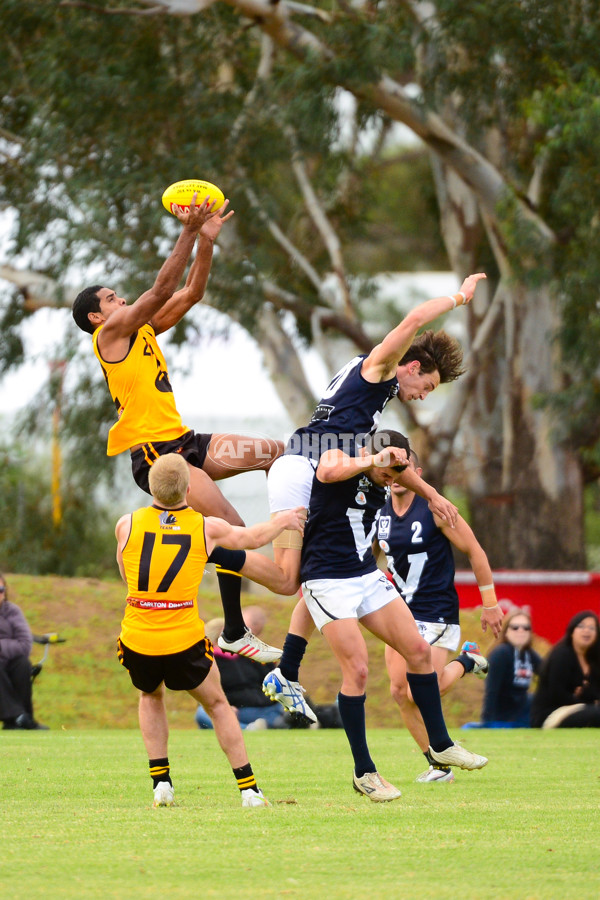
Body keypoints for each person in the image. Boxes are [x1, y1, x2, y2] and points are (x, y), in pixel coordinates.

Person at [72, 193, 284, 663]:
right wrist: (187, 230)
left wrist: (206, 241)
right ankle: (233, 630)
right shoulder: (108, 337)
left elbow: (190, 293)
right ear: (96, 317)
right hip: (154, 455)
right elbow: (160, 291)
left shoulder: (141, 330)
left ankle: (297, 535)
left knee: (277, 451)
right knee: (229, 526)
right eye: (111, 298)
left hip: (185, 441)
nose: (120, 298)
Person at [264, 273, 486, 718]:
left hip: (309, 466)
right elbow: (416, 317)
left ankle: (286, 671)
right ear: (413, 366)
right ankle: (219, 548)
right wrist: (459, 297)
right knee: (290, 577)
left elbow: (386, 461)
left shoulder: (376, 392)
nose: (423, 397)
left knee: (324, 570)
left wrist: (431, 494)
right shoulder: (381, 367)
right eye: (427, 387)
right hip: (305, 467)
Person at [270, 429, 489, 802]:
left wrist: (432, 495)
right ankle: (364, 772)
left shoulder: (395, 475)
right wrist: (374, 460)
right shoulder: (342, 460)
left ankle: (440, 745)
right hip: (326, 578)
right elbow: (326, 470)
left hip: (366, 575)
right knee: (357, 671)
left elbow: (407, 476)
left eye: (397, 472)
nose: (392, 480)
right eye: (389, 471)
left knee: (418, 653)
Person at [114, 452, 305, 808]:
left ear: (150, 486)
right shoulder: (205, 527)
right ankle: (248, 790)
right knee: (218, 705)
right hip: (183, 638)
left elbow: (126, 573)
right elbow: (250, 538)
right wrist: (284, 520)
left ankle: (162, 784)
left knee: (150, 696)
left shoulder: (126, 523)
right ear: (188, 486)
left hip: (138, 635)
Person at [372, 450, 503, 783]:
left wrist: (490, 603)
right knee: (399, 692)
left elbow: (475, 550)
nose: (396, 475)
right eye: (390, 468)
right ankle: (438, 766)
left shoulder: (436, 508)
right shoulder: (379, 513)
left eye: (403, 469)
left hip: (436, 610)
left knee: (419, 691)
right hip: (398, 609)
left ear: (415, 472)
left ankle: (467, 661)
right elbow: (370, 555)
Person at [195, 608, 288, 731]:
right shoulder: (209, 661)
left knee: (286, 709)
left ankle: (276, 723)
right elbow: (205, 692)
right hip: (238, 710)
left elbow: (271, 680)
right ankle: (250, 728)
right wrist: (225, 707)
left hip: (261, 708)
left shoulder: (247, 655)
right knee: (202, 713)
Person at [530, 610, 600, 729]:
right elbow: (556, 694)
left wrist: (583, 695)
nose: (586, 631)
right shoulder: (562, 655)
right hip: (551, 714)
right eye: (581, 626)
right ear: (572, 631)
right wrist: (581, 699)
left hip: (581, 709)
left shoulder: (594, 660)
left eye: (592, 628)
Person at [478, 609, 543, 728]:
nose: (521, 631)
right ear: (506, 630)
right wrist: (486, 722)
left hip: (523, 712)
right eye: (515, 627)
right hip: (504, 717)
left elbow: (549, 675)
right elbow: (492, 690)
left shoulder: (528, 653)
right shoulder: (501, 653)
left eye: (526, 628)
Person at [0, 573, 48, 730]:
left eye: (1, 589)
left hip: (11, 661)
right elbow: (17, 644)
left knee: (22, 663)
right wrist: (9, 645)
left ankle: (20, 719)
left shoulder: (13, 612)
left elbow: (25, 645)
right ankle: (19, 718)